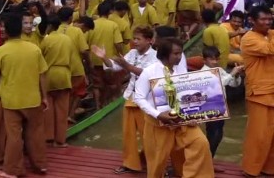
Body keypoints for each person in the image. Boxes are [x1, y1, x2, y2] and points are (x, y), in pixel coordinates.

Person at [0, 12, 49, 178]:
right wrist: (45, 96)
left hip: (11, 102)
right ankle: (40, 165)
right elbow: (43, 74)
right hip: (33, 99)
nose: (1, 30)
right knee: (35, 133)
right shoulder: (34, 49)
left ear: (6, 31)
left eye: (3, 27)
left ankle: (13, 170)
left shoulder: (2, 51)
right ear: (20, 29)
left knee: (14, 136)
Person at [133, 37, 214, 178]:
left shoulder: (180, 72)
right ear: (165, 54)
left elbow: (186, 98)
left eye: (180, 53)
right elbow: (138, 97)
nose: (179, 57)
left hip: (181, 121)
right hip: (158, 123)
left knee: (201, 143)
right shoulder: (149, 72)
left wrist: (193, 116)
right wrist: (158, 114)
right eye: (176, 53)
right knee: (158, 162)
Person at [93, 26, 157, 174]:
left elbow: (147, 74)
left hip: (147, 100)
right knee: (128, 133)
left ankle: (153, 163)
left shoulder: (155, 56)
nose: (135, 42)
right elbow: (115, 66)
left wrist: (126, 65)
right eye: (134, 39)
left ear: (149, 40)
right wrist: (104, 57)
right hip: (131, 97)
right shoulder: (132, 53)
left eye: (138, 39)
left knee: (148, 134)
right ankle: (130, 163)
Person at [240, 6, 274, 177]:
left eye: (270, 18)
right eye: (263, 19)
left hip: (272, 89)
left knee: (272, 135)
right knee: (258, 134)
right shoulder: (249, 39)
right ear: (252, 20)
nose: (268, 22)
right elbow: (269, 49)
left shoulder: (271, 34)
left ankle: (269, 168)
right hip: (259, 92)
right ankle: (251, 169)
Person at [39, 15, 79, 148]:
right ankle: (60, 140)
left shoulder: (46, 40)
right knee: (62, 110)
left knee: (48, 107)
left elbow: (40, 58)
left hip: (49, 74)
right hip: (64, 74)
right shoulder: (67, 40)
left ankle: (48, 137)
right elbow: (73, 59)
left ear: (50, 26)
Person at [200, 46, 243, 159]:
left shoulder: (219, 70)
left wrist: (236, 75)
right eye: (211, 59)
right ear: (204, 60)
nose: (215, 61)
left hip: (221, 106)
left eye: (216, 59)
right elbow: (217, 84)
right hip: (210, 107)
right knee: (213, 134)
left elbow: (233, 84)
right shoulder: (202, 73)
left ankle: (209, 159)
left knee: (218, 134)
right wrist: (232, 73)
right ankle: (207, 159)